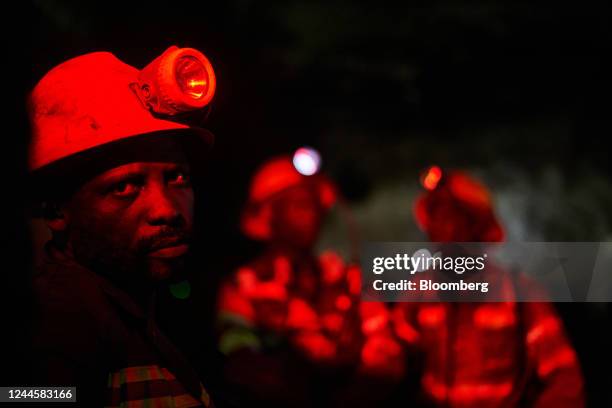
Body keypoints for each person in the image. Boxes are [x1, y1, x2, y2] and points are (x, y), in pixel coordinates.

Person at [28, 46, 216, 407]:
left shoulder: (132, 312)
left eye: (177, 178)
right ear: (55, 210)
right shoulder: (52, 327)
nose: (166, 211)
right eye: (124, 188)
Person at [217, 153, 403, 406]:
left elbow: (385, 348)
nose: (313, 215)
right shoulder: (244, 286)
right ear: (270, 214)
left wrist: (361, 386)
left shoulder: (347, 277)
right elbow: (237, 357)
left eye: (316, 206)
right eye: (301, 205)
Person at [392, 166, 585, 407]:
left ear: (477, 227)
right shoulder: (420, 290)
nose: (440, 230)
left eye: (451, 219)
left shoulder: (520, 292)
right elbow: (391, 356)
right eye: (436, 219)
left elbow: (564, 378)